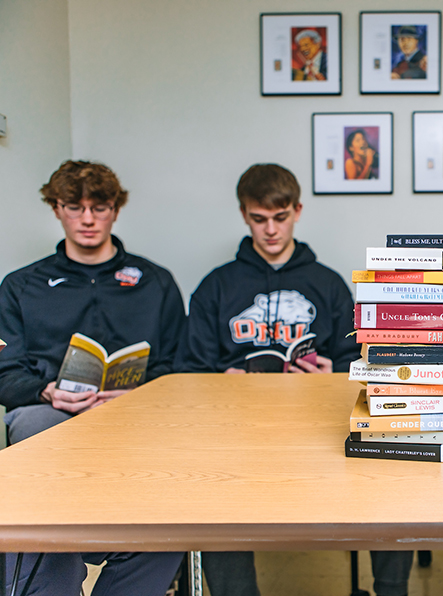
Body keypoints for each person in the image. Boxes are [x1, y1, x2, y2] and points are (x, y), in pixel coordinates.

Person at [176, 163, 411, 596]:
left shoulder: (328, 284)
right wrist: (222, 378)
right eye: (259, 219)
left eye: (280, 218)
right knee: (211, 485)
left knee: (392, 453)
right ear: (244, 215)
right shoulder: (216, 287)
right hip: (237, 428)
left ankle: (391, 589)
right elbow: (189, 370)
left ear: (298, 211)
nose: (270, 230)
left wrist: (331, 372)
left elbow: (359, 364)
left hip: (313, 418)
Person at [0, 160, 185, 594]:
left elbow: (182, 367)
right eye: (74, 206)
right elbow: (4, 373)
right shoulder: (21, 286)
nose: (87, 219)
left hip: (138, 424)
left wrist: (135, 397)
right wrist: (47, 391)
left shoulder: (155, 282)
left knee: (174, 508)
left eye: (99, 207)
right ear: (56, 209)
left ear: (115, 210)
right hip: (51, 420)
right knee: (31, 429)